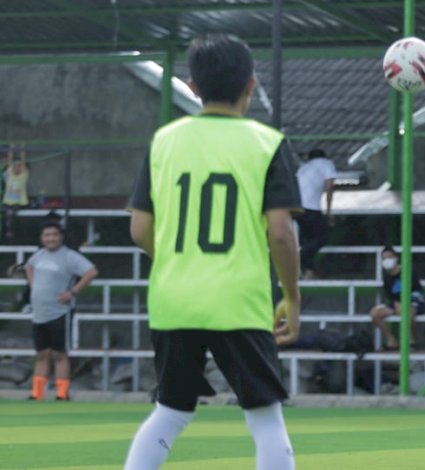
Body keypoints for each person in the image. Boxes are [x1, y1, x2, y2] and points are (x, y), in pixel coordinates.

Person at [123, 34, 302, 470]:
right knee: (264, 417)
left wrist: (178, 264)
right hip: (237, 302)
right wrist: (292, 297)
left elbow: (139, 228)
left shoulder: (163, 140)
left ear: (192, 86)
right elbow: (281, 232)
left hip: (173, 300)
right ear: (251, 85)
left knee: (170, 411)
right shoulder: (267, 142)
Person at [25, 221, 98, 401]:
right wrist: (33, 285)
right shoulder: (39, 255)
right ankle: (37, 393)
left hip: (59, 312)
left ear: (61, 237)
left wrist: (72, 292)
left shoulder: (69, 256)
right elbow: (28, 266)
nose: (51, 238)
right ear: (42, 238)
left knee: (59, 353)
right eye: (47, 235)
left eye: (54, 235)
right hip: (39, 313)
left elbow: (91, 272)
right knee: (42, 353)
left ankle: (61, 393)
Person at [370, 246, 425, 350]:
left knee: (407, 311)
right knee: (375, 313)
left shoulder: (408, 272)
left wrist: (405, 303)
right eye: (384, 258)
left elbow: (418, 292)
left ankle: (412, 342)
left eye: (389, 257)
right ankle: (391, 341)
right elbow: (390, 297)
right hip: (396, 304)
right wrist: (396, 304)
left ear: (396, 258)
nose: (387, 260)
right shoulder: (386, 278)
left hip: (413, 302)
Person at [295, 148, 336, 279]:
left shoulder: (303, 168)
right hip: (311, 207)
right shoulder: (326, 164)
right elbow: (329, 187)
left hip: (295, 206)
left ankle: (309, 271)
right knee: (322, 237)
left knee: (308, 239)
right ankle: (300, 256)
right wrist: (329, 211)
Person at [3, 143, 29, 241]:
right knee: (7, 213)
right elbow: (10, 161)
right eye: (15, 166)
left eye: (19, 166)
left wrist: (23, 150)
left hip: (19, 202)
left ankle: (11, 231)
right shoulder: (10, 174)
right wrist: (11, 149)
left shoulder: (23, 176)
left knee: (11, 213)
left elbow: (23, 162)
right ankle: (7, 231)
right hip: (7, 202)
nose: (17, 168)